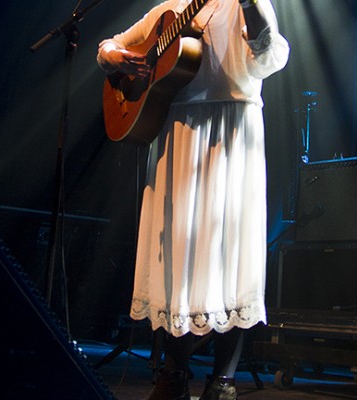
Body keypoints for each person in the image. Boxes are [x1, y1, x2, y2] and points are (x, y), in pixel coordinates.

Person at [97, 0, 289, 398]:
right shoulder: (169, 9)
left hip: (232, 133)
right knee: (176, 259)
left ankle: (223, 381)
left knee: (229, 257)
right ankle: (174, 374)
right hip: (178, 133)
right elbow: (107, 48)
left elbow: (268, 57)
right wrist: (119, 58)